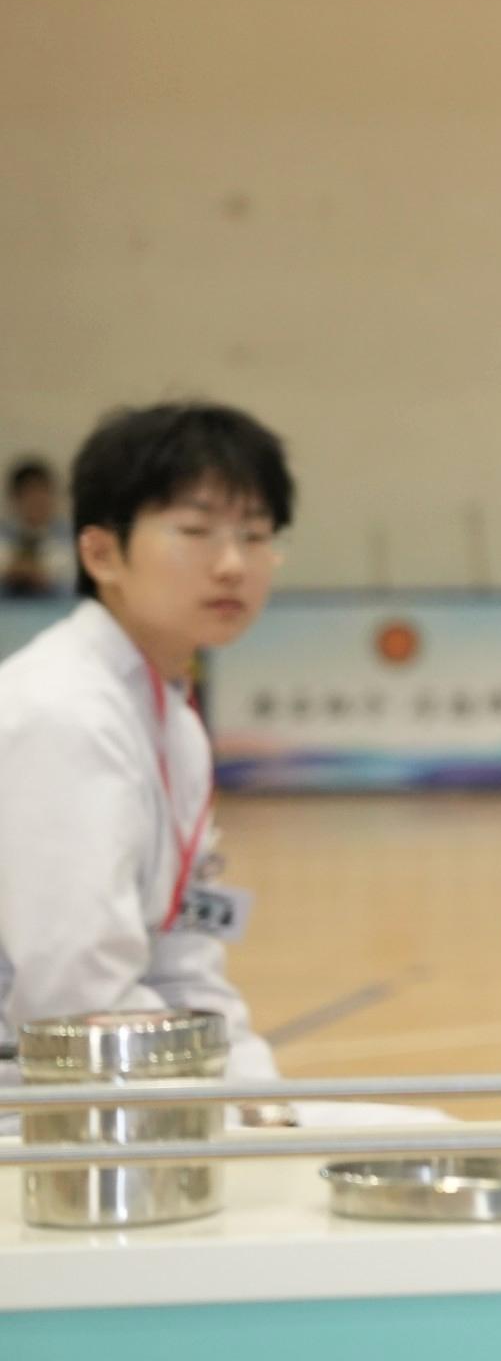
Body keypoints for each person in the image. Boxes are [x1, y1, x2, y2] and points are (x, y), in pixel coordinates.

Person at [0, 404, 290, 1086]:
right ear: (101, 553)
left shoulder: (171, 721)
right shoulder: (61, 712)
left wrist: (260, 1095)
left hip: (109, 1079)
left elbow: (184, 961)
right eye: (194, 531)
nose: (231, 564)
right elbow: (76, 1000)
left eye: (254, 535)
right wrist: (223, 1101)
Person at [4, 456, 74, 599]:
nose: (36, 501)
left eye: (42, 493)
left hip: (59, 608)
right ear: (15, 498)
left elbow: (80, 587)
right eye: (28, 494)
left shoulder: (72, 537)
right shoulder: (4, 537)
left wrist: (47, 579)